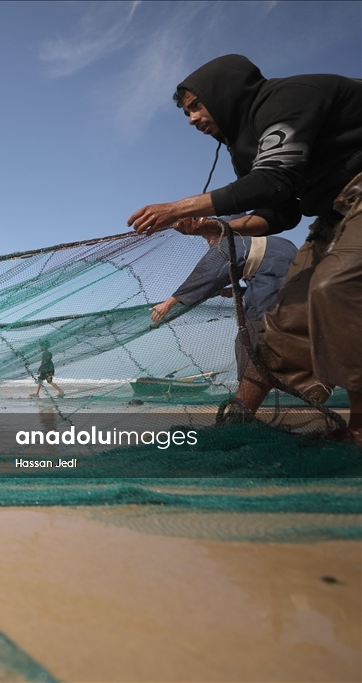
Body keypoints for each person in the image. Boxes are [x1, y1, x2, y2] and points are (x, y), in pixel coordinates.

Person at [127, 54, 362, 441]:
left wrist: (177, 209)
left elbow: (273, 181)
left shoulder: (287, 98)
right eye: (186, 113)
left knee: (334, 288)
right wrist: (214, 226)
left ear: (224, 93)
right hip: (336, 211)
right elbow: (280, 212)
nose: (192, 120)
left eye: (196, 107)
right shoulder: (243, 151)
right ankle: (237, 422)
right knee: (280, 325)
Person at [151, 225, 297, 380]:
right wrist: (239, 292)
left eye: (207, 238)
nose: (208, 243)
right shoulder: (277, 242)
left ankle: (247, 395)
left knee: (248, 341)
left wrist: (168, 303)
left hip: (277, 301)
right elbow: (276, 279)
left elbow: (207, 275)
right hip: (300, 294)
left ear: (220, 231)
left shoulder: (228, 242)